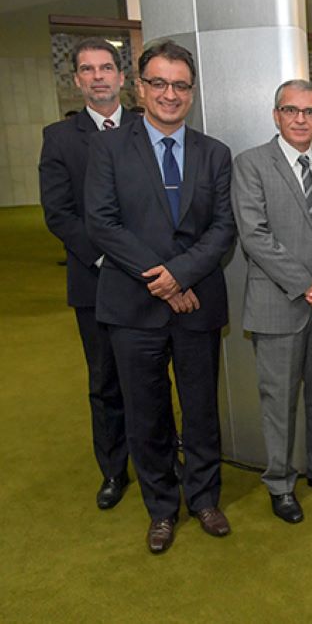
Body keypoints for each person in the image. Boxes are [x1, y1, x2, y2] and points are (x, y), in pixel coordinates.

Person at [85, 40, 235, 553]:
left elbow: (222, 229)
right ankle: (162, 509)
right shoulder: (107, 148)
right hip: (133, 306)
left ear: (191, 93)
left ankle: (205, 498)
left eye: (180, 85)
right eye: (159, 83)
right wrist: (164, 279)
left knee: (200, 409)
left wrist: (181, 276)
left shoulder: (214, 153)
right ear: (140, 87)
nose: (170, 94)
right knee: (145, 413)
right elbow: (102, 224)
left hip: (197, 302)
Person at [232, 79, 312, 524]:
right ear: (276, 116)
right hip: (280, 304)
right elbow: (255, 236)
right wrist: (309, 284)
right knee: (279, 401)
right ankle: (280, 484)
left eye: (310, 112)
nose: (301, 119)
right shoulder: (250, 165)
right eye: (291, 111)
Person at [39, 37, 137, 510]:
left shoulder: (147, 127)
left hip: (149, 279)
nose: (98, 76)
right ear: (77, 80)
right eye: (88, 69)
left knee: (154, 375)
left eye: (106, 68)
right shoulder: (59, 139)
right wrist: (107, 258)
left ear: (121, 77)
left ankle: (161, 457)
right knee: (105, 381)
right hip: (94, 280)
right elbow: (58, 213)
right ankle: (114, 470)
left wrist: (142, 261)